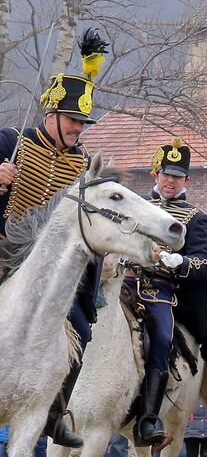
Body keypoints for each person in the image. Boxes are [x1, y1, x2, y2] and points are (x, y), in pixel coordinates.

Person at [0, 28, 108, 450]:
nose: (79, 130)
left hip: (48, 266)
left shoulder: (81, 163)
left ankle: (54, 412)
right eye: (73, 121)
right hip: (3, 250)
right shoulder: (11, 142)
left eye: (83, 123)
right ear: (51, 117)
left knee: (81, 327)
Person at [123, 137, 207, 448]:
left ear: (186, 180)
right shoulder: (135, 207)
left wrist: (178, 261)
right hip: (124, 285)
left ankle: (148, 418)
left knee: (161, 337)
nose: (170, 181)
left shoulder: (194, 216)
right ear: (155, 174)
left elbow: (204, 263)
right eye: (166, 174)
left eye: (177, 176)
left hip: (160, 292)